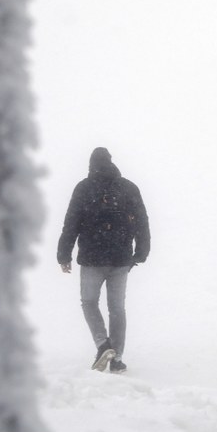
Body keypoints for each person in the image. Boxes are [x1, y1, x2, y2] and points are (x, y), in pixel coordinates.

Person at [57, 147, 150, 373]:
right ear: (111, 162)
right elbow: (142, 222)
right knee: (116, 308)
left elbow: (71, 222)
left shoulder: (84, 188)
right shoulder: (128, 188)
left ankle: (103, 345)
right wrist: (142, 251)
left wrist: (64, 254)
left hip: (92, 257)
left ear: (91, 165)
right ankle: (116, 359)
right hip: (121, 258)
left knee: (89, 302)